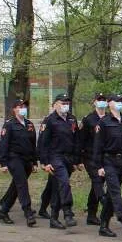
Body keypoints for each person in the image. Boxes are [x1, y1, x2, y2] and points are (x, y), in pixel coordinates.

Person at [91, 95, 122, 237]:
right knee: (115, 190)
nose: (119, 104)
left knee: (111, 195)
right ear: (109, 104)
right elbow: (97, 146)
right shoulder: (104, 122)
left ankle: (103, 226)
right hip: (108, 161)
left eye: (121, 101)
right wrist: (98, 166)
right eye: (117, 101)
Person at [38, 94, 80, 229]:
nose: (65, 105)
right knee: (64, 182)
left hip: (68, 158)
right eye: (63, 102)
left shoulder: (72, 119)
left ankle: (54, 219)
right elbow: (42, 143)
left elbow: (76, 140)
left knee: (57, 187)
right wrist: (44, 162)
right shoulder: (49, 120)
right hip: (55, 157)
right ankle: (67, 212)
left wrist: (76, 160)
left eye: (67, 102)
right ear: (55, 104)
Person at [0, 99, 39, 227]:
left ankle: (3, 210)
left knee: (16, 185)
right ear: (14, 109)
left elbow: (33, 144)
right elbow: (4, 144)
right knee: (22, 184)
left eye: (24, 106)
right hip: (14, 159)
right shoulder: (9, 124)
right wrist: (3, 162)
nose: (23, 108)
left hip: (27, 160)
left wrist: (34, 162)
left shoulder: (30, 124)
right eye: (20, 106)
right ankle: (28, 212)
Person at [78, 93, 108, 227]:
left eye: (104, 100)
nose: (102, 102)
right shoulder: (88, 119)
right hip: (89, 156)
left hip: (104, 157)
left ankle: (91, 214)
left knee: (98, 183)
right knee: (97, 180)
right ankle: (105, 202)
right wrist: (78, 159)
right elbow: (80, 140)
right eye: (99, 100)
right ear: (94, 102)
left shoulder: (110, 118)